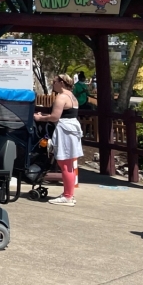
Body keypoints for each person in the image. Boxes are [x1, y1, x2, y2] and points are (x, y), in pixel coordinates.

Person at [35, 73, 82, 206]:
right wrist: (46, 115)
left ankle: (67, 196)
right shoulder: (72, 97)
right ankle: (69, 194)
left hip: (65, 130)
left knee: (64, 163)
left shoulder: (61, 97)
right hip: (72, 128)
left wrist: (40, 118)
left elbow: (55, 117)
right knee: (69, 164)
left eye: (54, 81)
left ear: (62, 83)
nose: (53, 84)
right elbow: (63, 114)